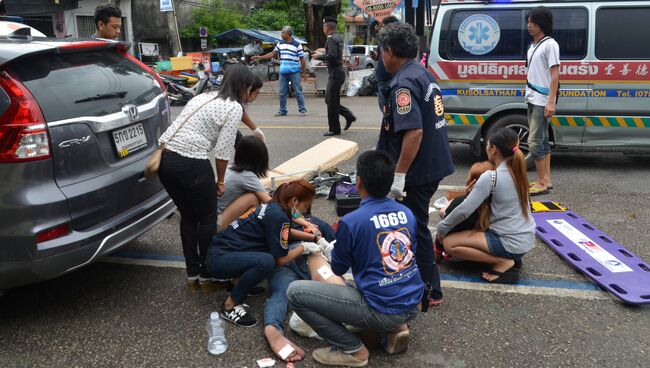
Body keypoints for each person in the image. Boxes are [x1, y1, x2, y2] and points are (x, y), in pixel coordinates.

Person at [287, 150, 423, 367]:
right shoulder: (406, 212)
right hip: (411, 303)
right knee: (371, 282)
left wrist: (333, 247)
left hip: (382, 307)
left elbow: (339, 268)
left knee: (295, 293)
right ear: (390, 182)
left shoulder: (352, 221)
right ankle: (396, 329)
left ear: (358, 182)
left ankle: (354, 350)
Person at [375, 22, 455, 307]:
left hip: (418, 171)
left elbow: (414, 132)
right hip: (432, 162)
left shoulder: (403, 83)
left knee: (416, 227)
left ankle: (430, 289)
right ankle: (424, 282)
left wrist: (398, 176)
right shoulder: (420, 71)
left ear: (389, 51)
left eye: (382, 51)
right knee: (415, 224)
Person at [157, 64, 254, 284]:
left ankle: (193, 272)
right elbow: (223, 152)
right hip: (191, 162)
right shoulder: (234, 107)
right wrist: (221, 181)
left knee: (188, 216)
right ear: (244, 87)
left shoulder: (204, 97)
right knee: (208, 217)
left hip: (164, 160)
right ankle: (210, 270)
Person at [206, 180, 324, 327]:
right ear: (294, 201)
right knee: (267, 261)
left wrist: (315, 238)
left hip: (221, 251)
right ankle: (230, 305)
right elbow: (281, 260)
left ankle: (238, 284)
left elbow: (283, 232)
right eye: (305, 206)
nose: (305, 211)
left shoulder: (273, 207)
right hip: (219, 260)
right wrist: (304, 248)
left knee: (265, 252)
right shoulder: (279, 217)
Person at [436, 128, 536, 283]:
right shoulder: (518, 172)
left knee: (450, 244)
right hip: (526, 239)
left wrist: (442, 229)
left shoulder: (492, 177)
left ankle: (502, 262)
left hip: (508, 241)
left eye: (487, 145)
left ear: (494, 149)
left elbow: (464, 211)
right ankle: (507, 258)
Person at [525, 6, 560, 196]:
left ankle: (540, 181)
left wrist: (551, 102)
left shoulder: (550, 44)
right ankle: (546, 179)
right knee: (544, 140)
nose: (529, 26)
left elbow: (555, 75)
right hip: (532, 97)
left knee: (534, 142)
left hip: (542, 99)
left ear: (542, 24)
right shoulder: (532, 46)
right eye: (528, 22)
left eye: (534, 22)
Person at [434, 161, 495, 262]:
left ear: (472, 181)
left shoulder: (460, 203)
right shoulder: (499, 202)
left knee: (444, 227)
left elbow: (444, 217)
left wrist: (464, 195)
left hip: (459, 253)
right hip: (488, 250)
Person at [312, 16, 356, 136]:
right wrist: (322, 54)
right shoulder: (337, 37)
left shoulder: (331, 39)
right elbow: (333, 53)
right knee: (330, 99)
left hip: (336, 73)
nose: (323, 29)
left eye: (323, 27)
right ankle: (348, 115)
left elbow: (332, 55)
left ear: (327, 28)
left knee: (330, 101)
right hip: (337, 72)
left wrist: (318, 57)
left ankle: (334, 129)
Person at [252, 26, 307, 117]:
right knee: (282, 92)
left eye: (282, 33)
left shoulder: (297, 45)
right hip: (283, 73)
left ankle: (302, 109)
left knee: (298, 91)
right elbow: (272, 54)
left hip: (294, 72)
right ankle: (282, 110)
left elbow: (302, 60)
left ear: (288, 34)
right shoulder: (280, 44)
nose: (281, 34)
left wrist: (304, 72)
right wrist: (259, 57)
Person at [369, 15, 400, 111]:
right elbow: (379, 55)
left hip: (390, 80)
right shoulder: (382, 40)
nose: (381, 28)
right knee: (384, 109)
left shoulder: (397, 41)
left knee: (391, 110)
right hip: (381, 80)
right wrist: (375, 56)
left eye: (383, 26)